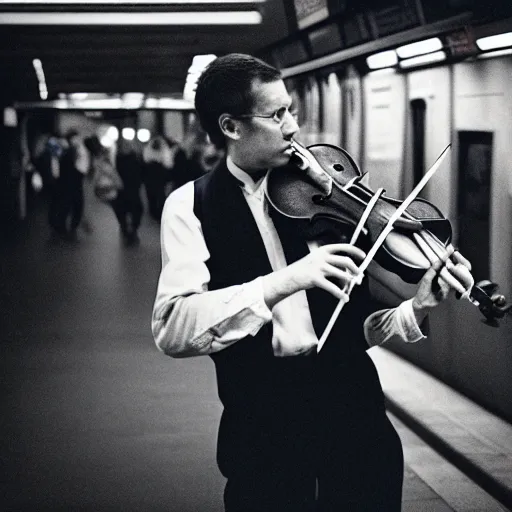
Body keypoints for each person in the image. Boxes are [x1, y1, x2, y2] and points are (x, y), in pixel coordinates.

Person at [152, 54, 473, 511]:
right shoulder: (190, 207)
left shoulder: (322, 191)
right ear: (231, 126)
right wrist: (281, 282)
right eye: (276, 115)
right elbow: (172, 327)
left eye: (292, 111)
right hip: (263, 429)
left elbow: (353, 327)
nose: (292, 128)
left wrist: (415, 307)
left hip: (356, 422)